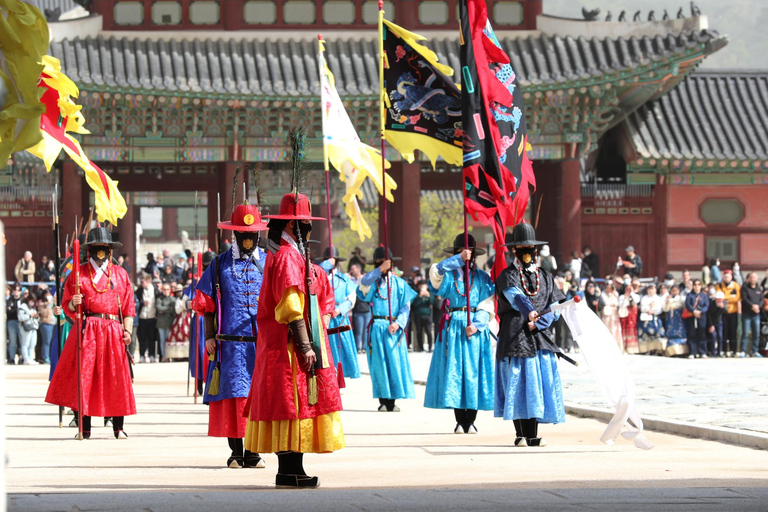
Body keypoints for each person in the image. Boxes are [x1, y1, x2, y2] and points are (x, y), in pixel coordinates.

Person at [244, 187, 344, 488]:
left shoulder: (285, 254)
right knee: (291, 403)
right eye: (305, 222)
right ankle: (288, 470)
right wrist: (305, 345)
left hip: (281, 343)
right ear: (291, 225)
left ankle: (293, 469)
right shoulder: (287, 256)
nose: (309, 227)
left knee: (293, 405)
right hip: (287, 345)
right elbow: (290, 304)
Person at [194, 202, 269, 469]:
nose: (248, 239)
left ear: (259, 235)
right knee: (235, 395)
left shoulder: (269, 263)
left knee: (258, 395)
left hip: (262, 343)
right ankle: (237, 452)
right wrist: (210, 335)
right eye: (243, 234)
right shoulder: (219, 265)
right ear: (234, 235)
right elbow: (207, 304)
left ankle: (254, 451)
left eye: (252, 234)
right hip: (230, 345)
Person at [46, 227, 135, 439]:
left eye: (105, 248)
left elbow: (129, 307)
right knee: (85, 377)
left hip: (113, 329)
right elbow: (67, 305)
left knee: (115, 377)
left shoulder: (121, 274)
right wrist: (72, 303)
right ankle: (84, 427)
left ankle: (118, 426)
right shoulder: (78, 274)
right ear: (89, 250)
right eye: (96, 248)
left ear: (110, 249)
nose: (101, 252)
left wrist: (128, 331)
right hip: (87, 330)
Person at [495, 223, 565, 447]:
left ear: (535, 251)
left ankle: (533, 434)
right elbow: (516, 296)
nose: (527, 252)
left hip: (539, 336)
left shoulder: (546, 276)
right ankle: (520, 434)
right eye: (521, 248)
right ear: (514, 251)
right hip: (515, 334)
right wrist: (529, 313)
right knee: (518, 382)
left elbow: (557, 304)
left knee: (536, 384)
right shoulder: (508, 275)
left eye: (530, 248)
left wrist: (541, 321)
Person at [424, 233, 495, 434]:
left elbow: (487, 304)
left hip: (473, 328)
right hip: (453, 327)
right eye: (460, 252)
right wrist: (457, 260)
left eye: (469, 253)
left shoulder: (482, 277)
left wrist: (478, 324)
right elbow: (435, 274)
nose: (466, 256)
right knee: (455, 373)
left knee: (471, 373)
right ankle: (459, 420)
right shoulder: (448, 275)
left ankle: (470, 420)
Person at [358, 246, 417, 412]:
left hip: (394, 328)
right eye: (378, 264)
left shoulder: (400, 283)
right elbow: (363, 283)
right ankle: (383, 400)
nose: (382, 267)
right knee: (379, 364)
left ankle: (393, 400)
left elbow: (406, 307)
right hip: (377, 328)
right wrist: (379, 270)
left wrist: (398, 323)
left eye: (385, 264)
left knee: (394, 364)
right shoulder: (372, 282)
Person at [319, 246, 361, 380]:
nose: (331, 262)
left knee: (341, 347)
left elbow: (351, 297)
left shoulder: (344, 279)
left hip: (339, 317)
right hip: (323, 317)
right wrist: (326, 264)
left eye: (333, 259)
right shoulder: (319, 276)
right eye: (327, 260)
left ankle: (340, 376)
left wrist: (340, 309)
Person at [184, 251, 215, 396]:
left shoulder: (218, 279)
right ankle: (198, 382)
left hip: (213, 320)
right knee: (198, 352)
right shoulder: (195, 283)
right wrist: (191, 304)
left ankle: (211, 381)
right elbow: (184, 304)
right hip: (199, 320)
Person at [716, 270, 741, 357]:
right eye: (725, 277)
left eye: (728, 277)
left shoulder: (735, 285)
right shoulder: (719, 285)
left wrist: (726, 298)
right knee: (724, 332)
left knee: (733, 331)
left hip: (733, 311)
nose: (727, 278)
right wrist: (730, 297)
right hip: (723, 312)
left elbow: (737, 298)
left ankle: (733, 350)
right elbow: (719, 296)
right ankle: (724, 350)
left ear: (731, 277)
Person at [348, 260, 371, 354]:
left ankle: (365, 347)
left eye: (353, 269)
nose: (352, 270)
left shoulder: (365, 279)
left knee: (366, 330)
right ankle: (357, 347)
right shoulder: (350, 281)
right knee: (358, 330)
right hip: (357, 309)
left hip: (366, 308)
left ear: (359, 269)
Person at [684, 279, 709, 359]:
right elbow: (688, 304)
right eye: (695, 284)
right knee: (692, 334)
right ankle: (692, 352)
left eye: (699, 284)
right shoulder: (689, 295)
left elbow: (706, 305)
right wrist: (694, 311)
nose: (697, 286)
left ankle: (702, 352)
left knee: (701, 334)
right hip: (691, 316)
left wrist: (700, 312)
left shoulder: (704, 295)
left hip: (701, 317)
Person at [137, 274, 159, 363]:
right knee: (142, 337)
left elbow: (158, 301)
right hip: (142, 317)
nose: (141, 283)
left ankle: (152, 355)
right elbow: (137, 301)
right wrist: (142, 303)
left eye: (143, 282)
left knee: (151, 337)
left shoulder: (155, 290)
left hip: (152, 317)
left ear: (148, 281)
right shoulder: (139, 290)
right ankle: (142, 355)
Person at [740, 272, 763, 358]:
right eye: (751, 277)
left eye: (754, 277)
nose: (753, 279)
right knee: (745, 333)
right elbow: (744, 298)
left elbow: (762, 300)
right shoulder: (745, 288)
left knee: (756, 333)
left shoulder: (758, 289)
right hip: (747, 314)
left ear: (757, 279)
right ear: (749, 278)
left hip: (756, 314)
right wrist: (752, 306)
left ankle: (755, 351)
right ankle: (743, 351)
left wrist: (758, 307)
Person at [638, 284, 665, 354]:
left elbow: (660, 309)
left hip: (655, 318)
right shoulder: (644, 298)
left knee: (657, 333)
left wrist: (653, 311)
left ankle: (657, 349)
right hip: (646, 318)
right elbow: (642, 308)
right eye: (649, 289)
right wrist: (648, 309)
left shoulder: (658, 298)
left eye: (652, 289)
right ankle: (645, 349)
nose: (651, 291)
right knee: (645, 334)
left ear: (655, 290)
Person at [410, 281, 434, 353]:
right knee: (419, 332)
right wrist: (419, 296)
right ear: (418, 286)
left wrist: (428, 296)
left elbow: (433, 302)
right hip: (418, 315)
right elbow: (414, 304)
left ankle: (430, 347)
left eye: (424, 285)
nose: (422, 287)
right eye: (421, 285)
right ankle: (421, 348)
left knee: (429, 331)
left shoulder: (430, 293)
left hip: (427, 315)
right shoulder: (416, 294)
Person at [663, 285, 688, 357]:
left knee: (680, 334)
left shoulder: (682, 299)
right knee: (671, 334)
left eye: (676, 290)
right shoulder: (668, 299)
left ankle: (682, 351)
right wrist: (667, 301)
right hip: (670, 320)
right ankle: (672, 352)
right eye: (673, 291)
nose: (674, 292)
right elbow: (665, 309)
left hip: (679, 319)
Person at [155, 283, 176, 362]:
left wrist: (163, 310)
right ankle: (164, 356)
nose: (166, 291)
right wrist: (168, 308)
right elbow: (158, 307)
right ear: (162, 290)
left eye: (167, 289)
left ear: (170, 290)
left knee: (169, 340)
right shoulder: (159, 299)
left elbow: (173, 309)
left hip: (170, 322)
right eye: (164, 289)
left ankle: (169, 356)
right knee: (162, 340)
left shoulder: (172, 299)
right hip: (161, 322)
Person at [599, 282, 622, 348]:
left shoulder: (616, 293)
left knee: (615, 327)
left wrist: (613, 293)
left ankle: (616, 343)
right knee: (607, 327)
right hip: (607, 313)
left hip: (614, 313)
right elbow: (606, 303)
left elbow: (617, 303)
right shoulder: (603, 293)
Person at [618, 284, 640, 354]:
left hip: (632, 315)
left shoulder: (635, 296)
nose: (628, 290)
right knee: (624, 329)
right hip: (624, 314)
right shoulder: (622, 296)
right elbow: (621, 305)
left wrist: (632, 293)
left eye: (629, 289)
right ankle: (624, 347)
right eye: (627, 289)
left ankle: (632, 348)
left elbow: (636, 301)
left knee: (632, 330)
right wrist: (625, 297)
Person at [17, 296, 40, 364]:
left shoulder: (33, 308)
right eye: (31, 301)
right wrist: (30, 315)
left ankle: (30, 358)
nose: (32, 302)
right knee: (25, 344)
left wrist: (36, 317)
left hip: (33, 327)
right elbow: (20, 318)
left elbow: (36, 319)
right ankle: (26, 359)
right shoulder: (22, 307)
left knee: (33, 344)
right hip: (25, 327)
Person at [38, 292, 57, 364]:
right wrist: (48, 306)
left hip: (53, 324)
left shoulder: (53, 305)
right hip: (46, 324)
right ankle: (45, 357)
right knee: (46, 342)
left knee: (52, 342)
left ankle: (50, 356)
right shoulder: (42, 304)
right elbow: (43, 314)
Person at [7, 284, 23, 364]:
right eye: (15, 290)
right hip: (12, 321)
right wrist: (16, 310)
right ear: (12, 291)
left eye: (18, 290)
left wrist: (13, 309)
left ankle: (21, 358)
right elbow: (8, 311)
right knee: (12, 341)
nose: (16, 292)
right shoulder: (9, 300)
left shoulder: (23, 300)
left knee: (22, 341)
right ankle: (11, 358)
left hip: (21, 322)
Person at [707, 291, 725, 357]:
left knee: (720, 336)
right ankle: (713, 352)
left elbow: (725, 312)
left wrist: (722, 308)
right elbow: (708, 315)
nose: (719, 301)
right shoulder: (711, 304)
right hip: (712, 322)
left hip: (719, 322)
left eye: (721, 300)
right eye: (718, 300)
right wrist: (711, 325)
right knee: (713, 336)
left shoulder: (723, 304)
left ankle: (719, 352)